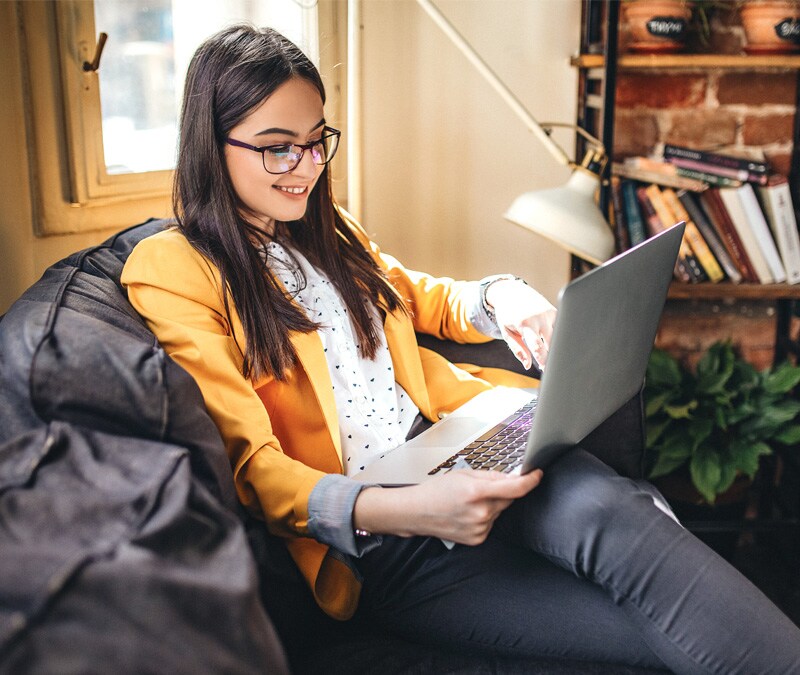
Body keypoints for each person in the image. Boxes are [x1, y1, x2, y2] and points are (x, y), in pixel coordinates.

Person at [121, 24, 800, 673]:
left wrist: (503, 298)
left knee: (611, 515)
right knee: (654, 626)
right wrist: (402, 508)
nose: (304, 166)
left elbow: (420, 298)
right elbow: (253, 468)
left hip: (460, 441)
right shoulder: (174, 268)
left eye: (315, 139)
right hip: (390, 542)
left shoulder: (327, 228)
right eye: (277, 147)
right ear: (213, 142)